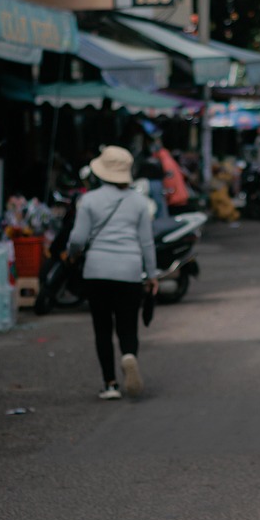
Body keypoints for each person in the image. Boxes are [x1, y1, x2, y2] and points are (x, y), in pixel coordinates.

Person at [68, 146, 158, 401]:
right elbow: (147, 243)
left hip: (96, 271)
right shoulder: (140, 202)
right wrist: (151, 275)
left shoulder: (89, 200)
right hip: (129, 271)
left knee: (102, 328)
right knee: (128, 327)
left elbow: (77, 238)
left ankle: (110, 384)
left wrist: (72, 253)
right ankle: (129, 355)